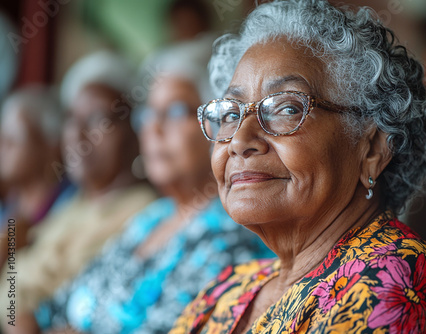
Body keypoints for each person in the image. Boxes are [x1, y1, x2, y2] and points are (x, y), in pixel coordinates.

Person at [170, 1, 426, 333]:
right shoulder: (231, 287)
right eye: (230, 114)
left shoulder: (391, 287)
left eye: (286, 108)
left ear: (371, 150)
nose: (240, 140)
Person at [29, 49, 274, 334]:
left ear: (220, 124)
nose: (154, 128)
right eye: (148, 113)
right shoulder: (151, 218)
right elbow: (49, 309)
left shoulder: (232, 235)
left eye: (176, 111)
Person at [0, 82, 157, 334]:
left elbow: (64, 303)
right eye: (71, 118)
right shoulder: (75, 202)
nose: (77, 132)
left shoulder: (143, 212)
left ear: (133, 131)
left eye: (98, 119)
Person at [0, 86, 76, 267]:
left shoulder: (68, 206)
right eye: (2, 136)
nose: (3, 145)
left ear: (49, 146)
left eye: (14, 137)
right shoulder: (8, 206)